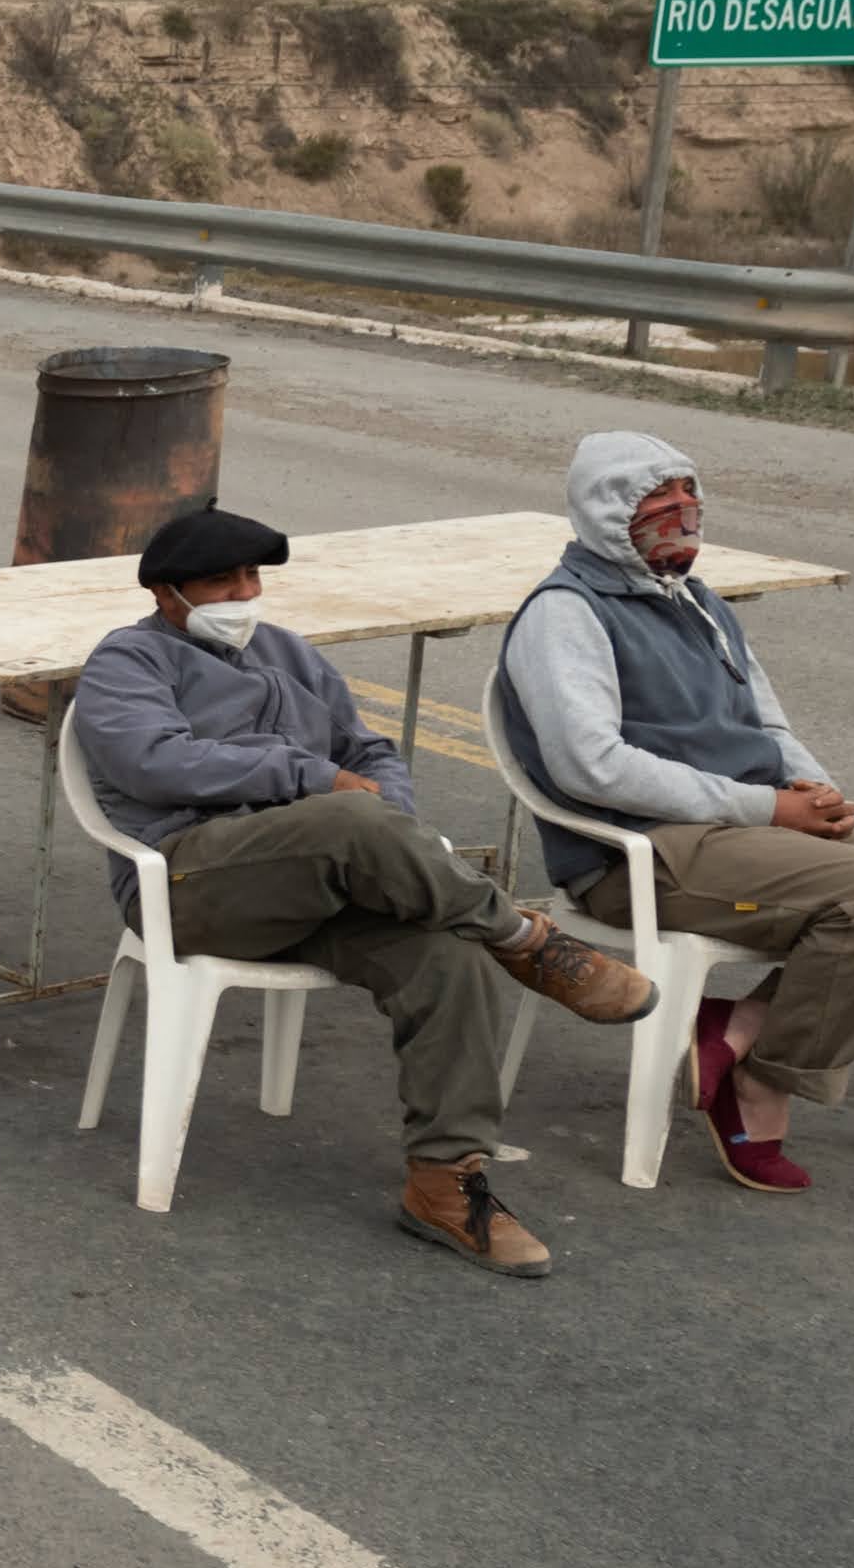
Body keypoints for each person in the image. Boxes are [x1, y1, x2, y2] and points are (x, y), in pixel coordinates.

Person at [77, 505, 658, 1277]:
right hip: (191, 881)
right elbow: (151, 762)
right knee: (348, 819)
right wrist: (315, 781)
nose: (243, 594)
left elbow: (368, 749)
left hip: (320, 878)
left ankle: (445, 1183)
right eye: (221, 582)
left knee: (444, 953)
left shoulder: (286, 652)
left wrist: (390, 820)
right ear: (167, 594)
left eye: (252, 578)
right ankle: (525, 938)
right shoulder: (129, 661)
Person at [492, 433, 854, 1195]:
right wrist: (766, 806)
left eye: (686, 492)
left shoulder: (697, 603)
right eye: (654, 499)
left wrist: (815, 793)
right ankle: (764, 1080)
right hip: (643, 854)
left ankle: (737, 1034)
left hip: (746, 831)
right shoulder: (564, 614)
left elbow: (764, 724)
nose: (681, 511)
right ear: (606, 513)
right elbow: (588, 766)